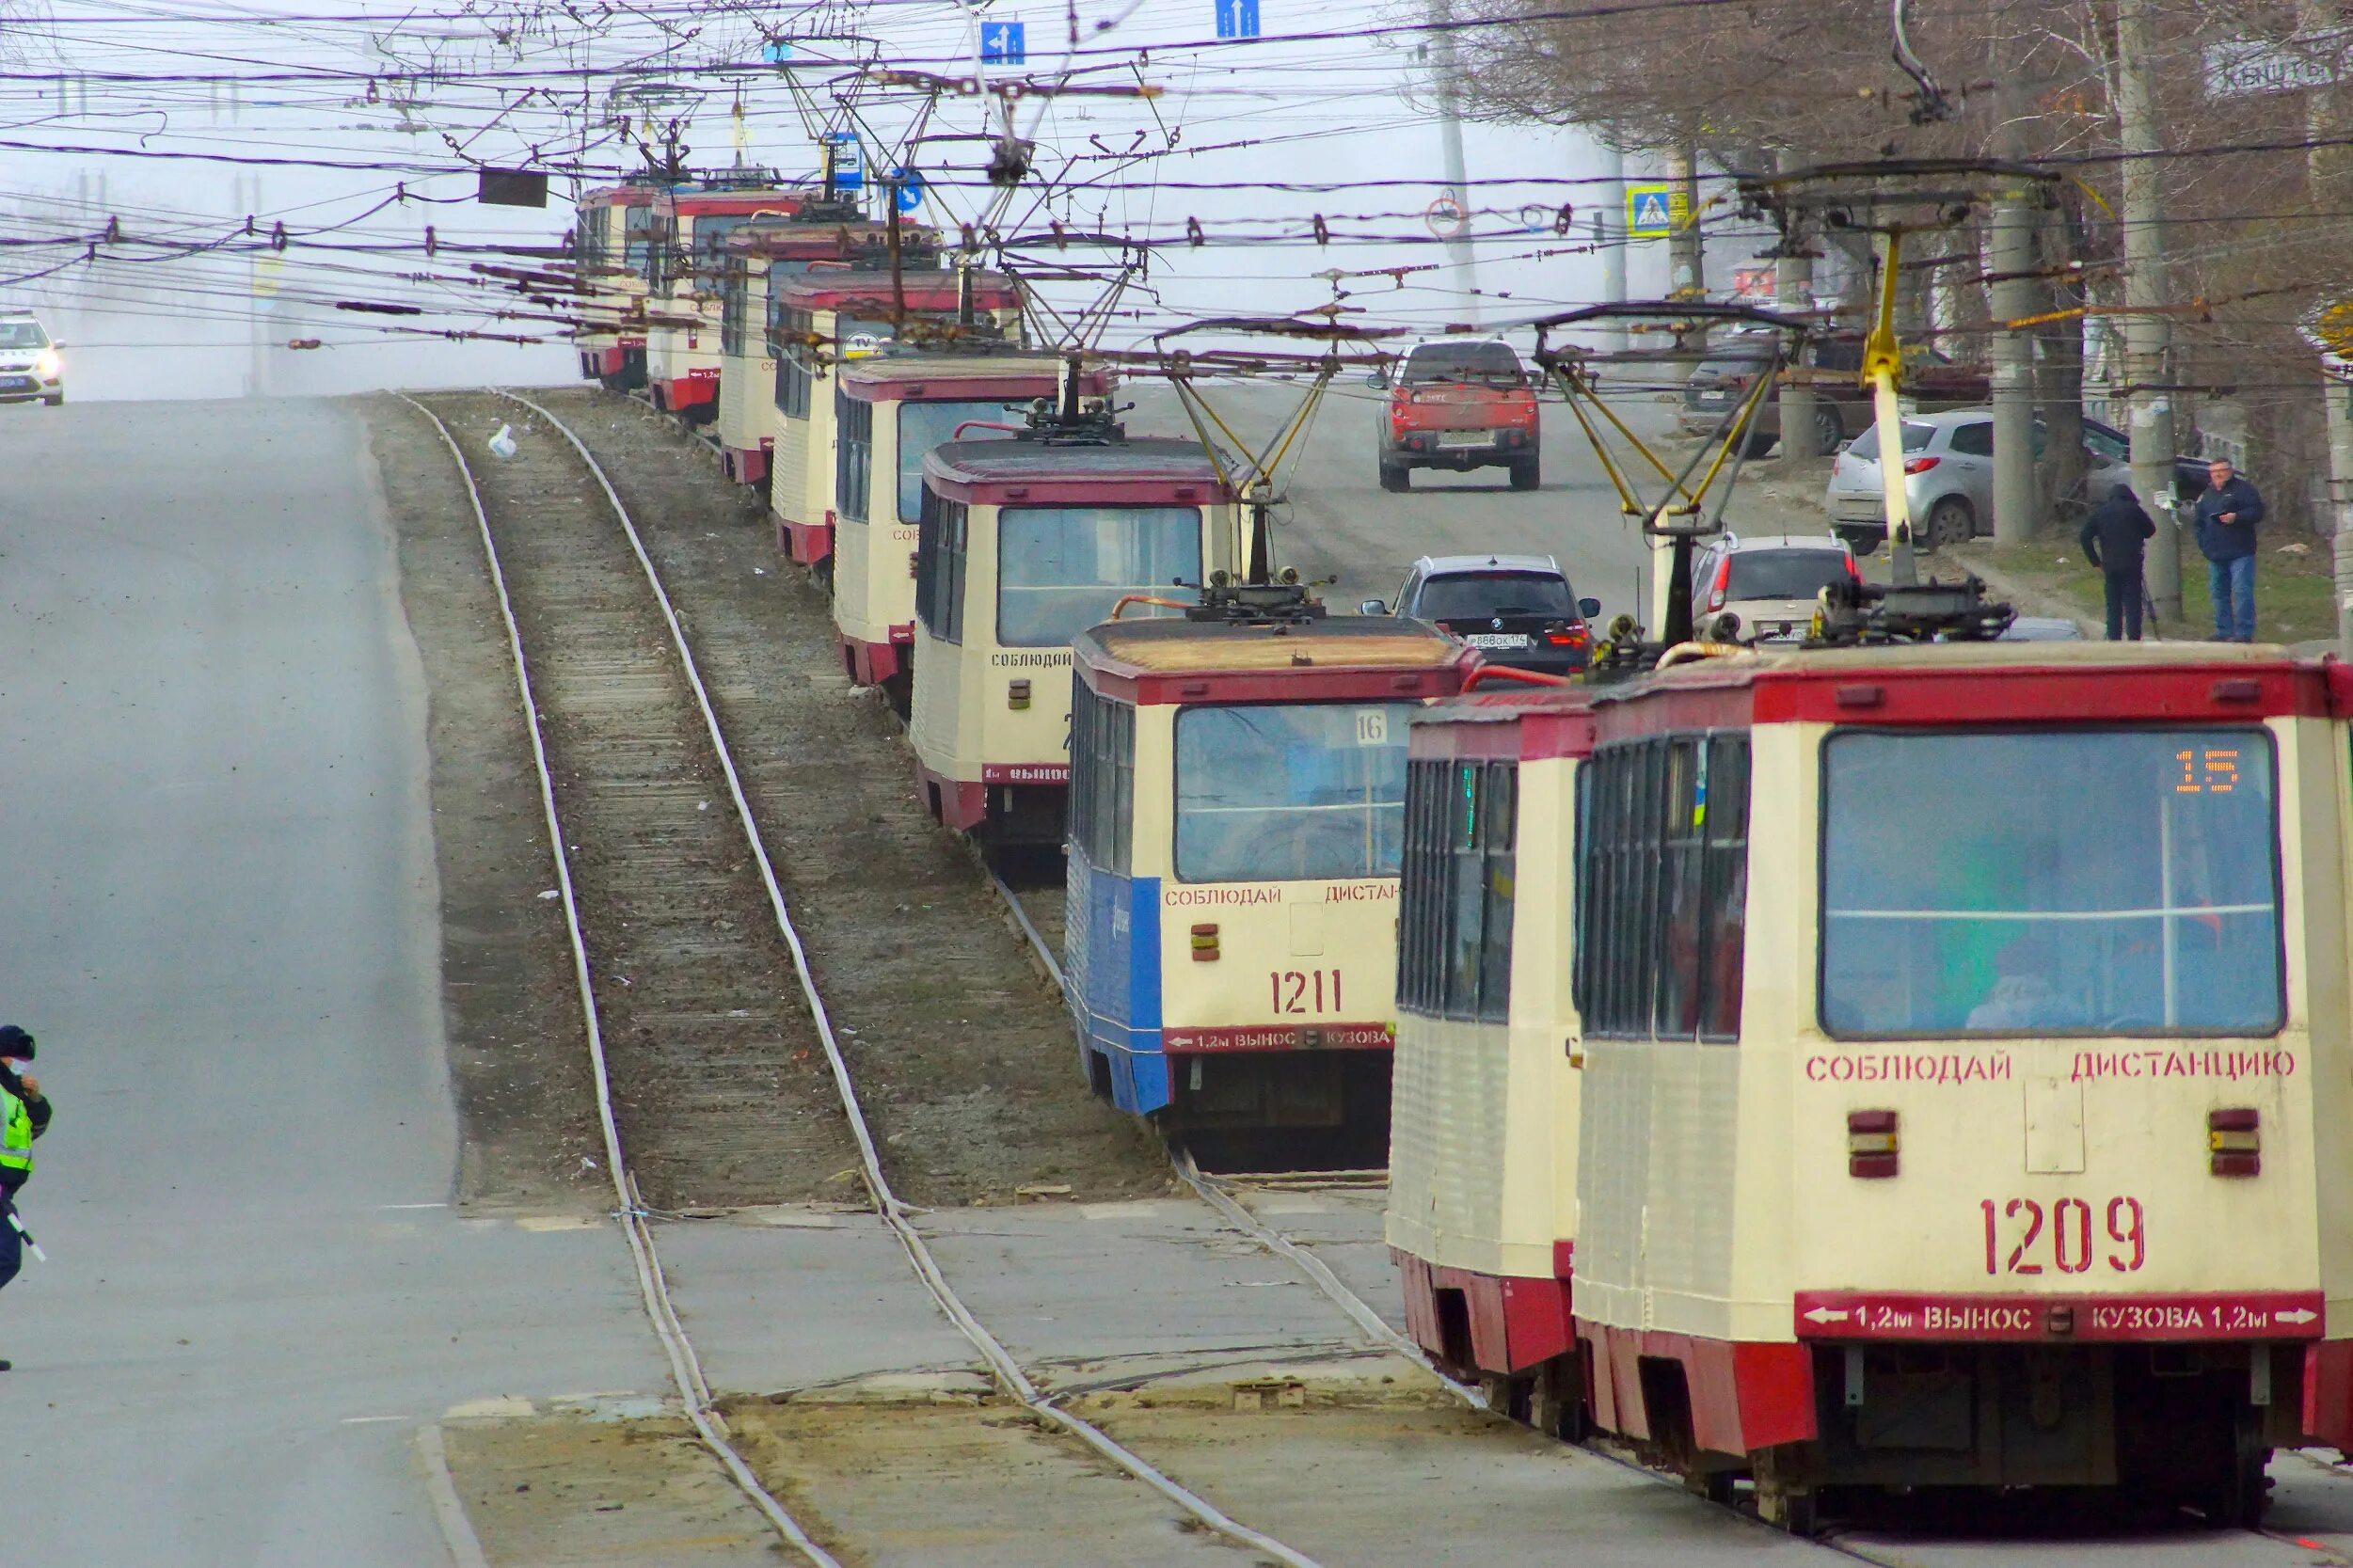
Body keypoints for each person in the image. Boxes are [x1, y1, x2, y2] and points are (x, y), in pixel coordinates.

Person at [0, 1025, 50, 1372]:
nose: (23, 1066)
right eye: (18, 1059)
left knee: (6, 1259)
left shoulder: (12, 1090)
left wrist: (34, 1100)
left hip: (5, 1191)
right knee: (6, 1259)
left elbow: (35, 1128)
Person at [2193, 458, 2267, 642]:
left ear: (2230, 471)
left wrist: (2237, 517)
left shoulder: (2244, 490)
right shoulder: (2207, 495)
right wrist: (2203, 544)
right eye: (2213, 471)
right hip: (2215, 553)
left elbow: (2257, 511)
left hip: (2240, 550)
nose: (2217, 474)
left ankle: (2244, 633)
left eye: (2222, 470)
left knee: (2242, 591)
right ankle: (2223, 630)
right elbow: (2198, 522)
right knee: (2218, 593)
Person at [2078, 483, 2158, 641]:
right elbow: (2151, 530)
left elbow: (2084, 536)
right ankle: (2134, 638)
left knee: (2113, 604)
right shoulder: (2134, 510)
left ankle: (2114, 639)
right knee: (2133, 602)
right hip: (2132, 564)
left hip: (2110, 565)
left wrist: (2095, 561)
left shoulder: (2101, 512)